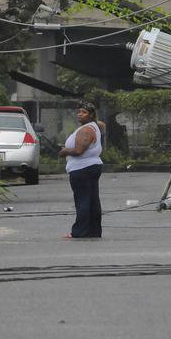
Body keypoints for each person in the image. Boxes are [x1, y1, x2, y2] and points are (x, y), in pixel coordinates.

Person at [59, 101, 103, 238]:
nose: (80, 115)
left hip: (82, 168)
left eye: (84, 112)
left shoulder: (86, 130)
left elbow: (79, 150)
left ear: (91, 115)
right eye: (79, 112)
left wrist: (65, 151)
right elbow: (102, 125)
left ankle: (79, 232)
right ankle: (94, 231)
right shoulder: (95, 126)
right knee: (92, 200)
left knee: (82, 200)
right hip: (92, 166)